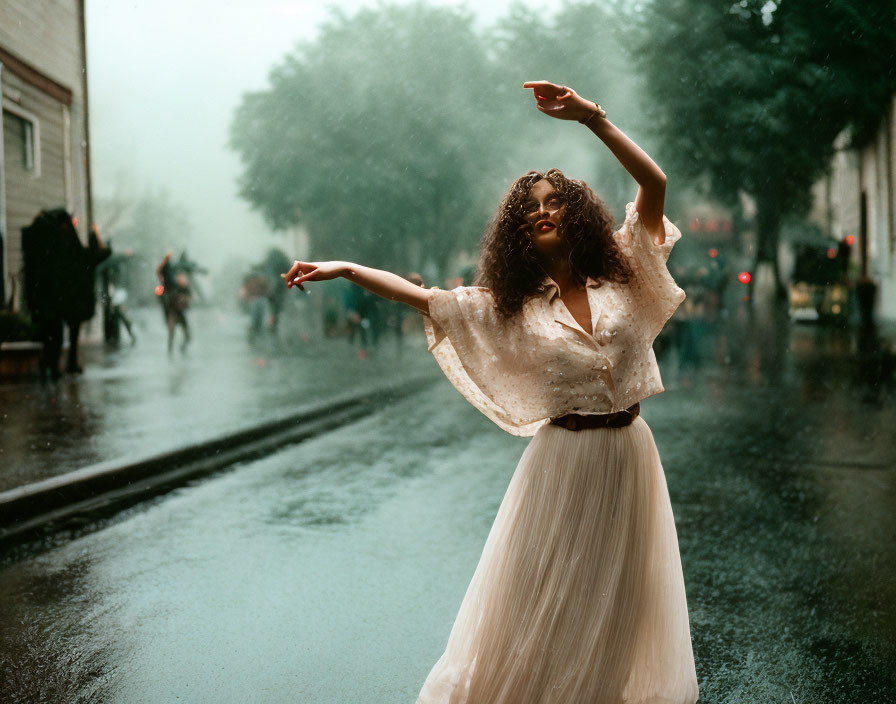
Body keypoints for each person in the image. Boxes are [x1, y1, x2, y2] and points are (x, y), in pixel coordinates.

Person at [282, 80, 698, 703]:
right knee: (551, 600)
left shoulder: (622, 270)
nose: (542, 209)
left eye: (554, 199)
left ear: (577, 213)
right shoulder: (510, 309)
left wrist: (591, 118)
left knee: (617, 604)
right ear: (518, 236)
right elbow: (425, 299)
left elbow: (654, 186)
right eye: (530, 207)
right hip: (563, 462)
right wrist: (344, 268)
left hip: (631, 455)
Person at [156, 252, 192, 354]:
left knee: (186, 333)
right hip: (172, 310)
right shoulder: (169, 287)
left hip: (179, 311)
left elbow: (188, 296)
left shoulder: (181, 287)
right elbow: (162, 298)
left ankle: (181, 348)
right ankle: (171, 349)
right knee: (172, 332)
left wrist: (184, 299)